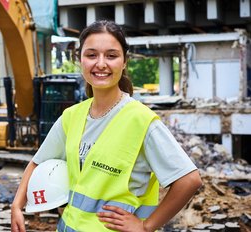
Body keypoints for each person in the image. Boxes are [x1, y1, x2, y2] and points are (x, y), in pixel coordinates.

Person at [11, 20, 202, 232]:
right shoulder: (71, 116)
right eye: (91, 55)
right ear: (80, 59)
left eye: (111, 56)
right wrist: (17, 205)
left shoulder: (140, 120)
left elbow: (189, 180)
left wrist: (146, 226)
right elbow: (37, 163)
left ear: (124, 62)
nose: (101, 63)